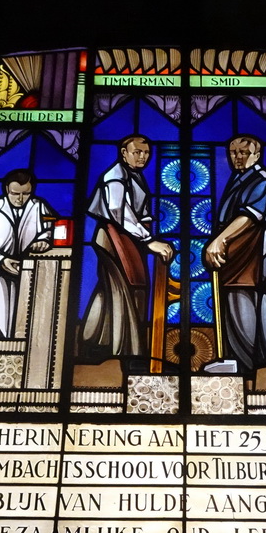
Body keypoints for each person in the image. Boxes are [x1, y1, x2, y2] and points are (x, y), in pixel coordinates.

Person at [80, 135, 174, 362]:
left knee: (112, 291)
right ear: (124, 153)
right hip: (114, 239)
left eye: (146, 153)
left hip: (126, 238)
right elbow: (117, 211)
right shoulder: (115, 176)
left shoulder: (133, 175)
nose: (143, 157)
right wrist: (150, 240)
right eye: (137, 152)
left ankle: (94, 343)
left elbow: (135, 211)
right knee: (122, 291)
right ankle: (126, 353)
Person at [203, 135, 266, 373]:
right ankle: (264, 357)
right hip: (235, 244)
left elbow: (249, 216)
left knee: (241, 296)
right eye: (233, 153)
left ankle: (242, 363)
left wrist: (219, 240)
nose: (237, 157)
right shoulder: (241, 177)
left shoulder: (261, 178)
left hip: (249, 244)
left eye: (243, 153)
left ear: (257, 155)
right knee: (244, 299)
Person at [0, 169, 55, 338]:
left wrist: (44, 241)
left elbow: (50, 230)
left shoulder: (39, 207)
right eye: (15, 193)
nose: (20, 199)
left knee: (26, 321)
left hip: (29, 272)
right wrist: (0, 260)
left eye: (26, 194)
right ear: (6, 189)